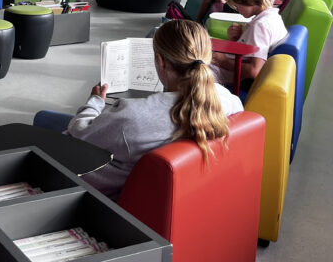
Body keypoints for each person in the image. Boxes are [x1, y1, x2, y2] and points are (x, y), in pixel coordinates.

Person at [67, 20, 243, 201]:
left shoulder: (132, 117)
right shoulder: (230, 102)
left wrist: (95, 102)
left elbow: (80, 133)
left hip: (87, 191)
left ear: (160, 62)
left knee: (52, 119)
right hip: (185, 197)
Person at [212, 0, 287, 88]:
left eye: (237, 5)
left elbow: (254, 70)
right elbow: (250, 53)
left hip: (227, 74)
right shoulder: (274, 18)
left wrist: (222, 61)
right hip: (229, 68)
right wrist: (237, 39)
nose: (236, 9)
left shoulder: (260, 26)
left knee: (186, 67)